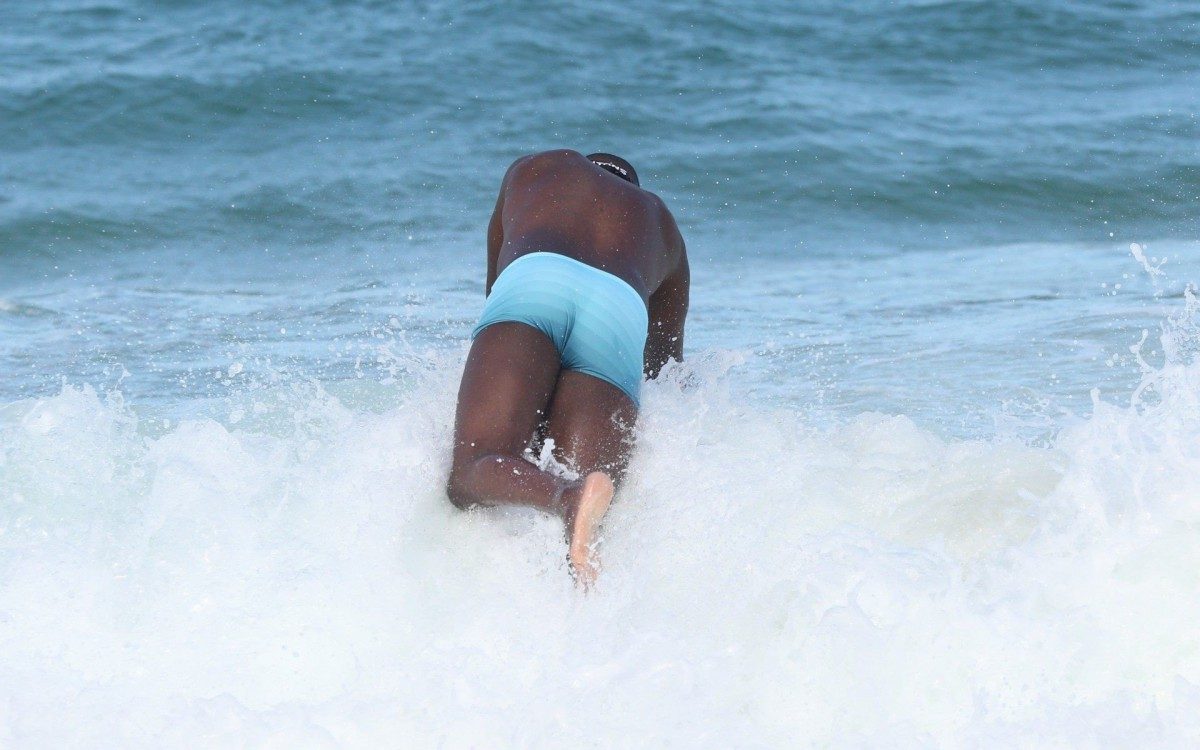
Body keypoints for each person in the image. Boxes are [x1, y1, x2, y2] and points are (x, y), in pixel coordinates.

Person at [446, 149, 690, 586]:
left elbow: (497, 283)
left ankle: (563, 497)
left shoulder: (536, 167)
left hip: (537, 280)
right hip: (617, 314)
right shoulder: (663, 224)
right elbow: (663, 368)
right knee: (590, 526)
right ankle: (580, 608)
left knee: (472, 471)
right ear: (633, 189)